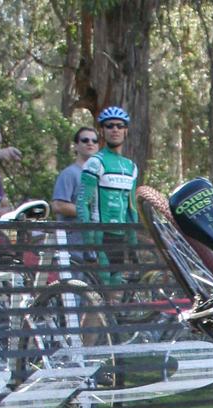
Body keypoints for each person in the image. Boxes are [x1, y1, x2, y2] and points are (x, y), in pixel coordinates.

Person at [76, 106, 139, 285]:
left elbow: (131, 207)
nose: (115, 130)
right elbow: (83, 202)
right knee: (102, 286)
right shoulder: (95, 162)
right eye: (109, 126)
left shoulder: (131, 166)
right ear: (102, 131)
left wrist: (134, 247)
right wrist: (89, 243)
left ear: (126, 130)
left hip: (120, 237)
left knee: (116, 285)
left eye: (120, 126)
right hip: (100, 235)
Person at [52, 126, 99, 221]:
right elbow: (58, 206)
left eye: (94, 141)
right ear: (76, 146)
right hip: (73, 234)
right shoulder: (69, 174)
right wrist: (90, 212)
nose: (90, 143)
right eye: (85, 140)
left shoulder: (101, 175)